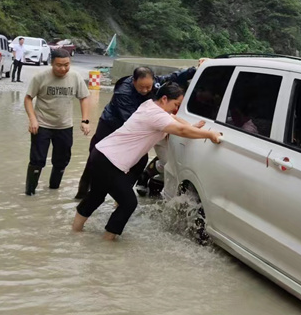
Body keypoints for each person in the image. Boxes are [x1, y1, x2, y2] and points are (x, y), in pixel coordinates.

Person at [72, 82, 223, 240]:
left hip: (101, 154)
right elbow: (181, 130)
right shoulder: (156, 115)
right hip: (109, 161)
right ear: (164, 99)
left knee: (96, 195)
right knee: (128, 203)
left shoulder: (149, 105)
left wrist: (194, 127)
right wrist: (209, 134)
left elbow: (176, 120)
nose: (175, 108)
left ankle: (75, 232)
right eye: (176, 104)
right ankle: (107, 241)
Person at [74, 60, 207, 199]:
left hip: (136, 124)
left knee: (140, 160)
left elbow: (175, 76)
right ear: (133, 81)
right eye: (141, 87)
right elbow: (135, 123)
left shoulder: (155, 82)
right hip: (112, 124)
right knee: (95, 160)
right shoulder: (123, 93)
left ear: (153, 80)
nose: (145, 91)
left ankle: (122, 194)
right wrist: (166, 126)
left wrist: (197, 68)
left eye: (148, 87)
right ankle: (83, 194)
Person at [24, 48, 91, 195]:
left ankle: (53, 190)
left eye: (66, 65)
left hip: (64, 125)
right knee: (37, 161)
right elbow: (28, 98)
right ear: (51, 63)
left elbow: (84, 97)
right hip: (41, 124)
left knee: (62, 161)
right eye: (59, 65)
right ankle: (29, 193)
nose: (63, 68)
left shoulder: (75, 77)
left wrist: (85, 120)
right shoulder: (40, 77)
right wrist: (32, 119)